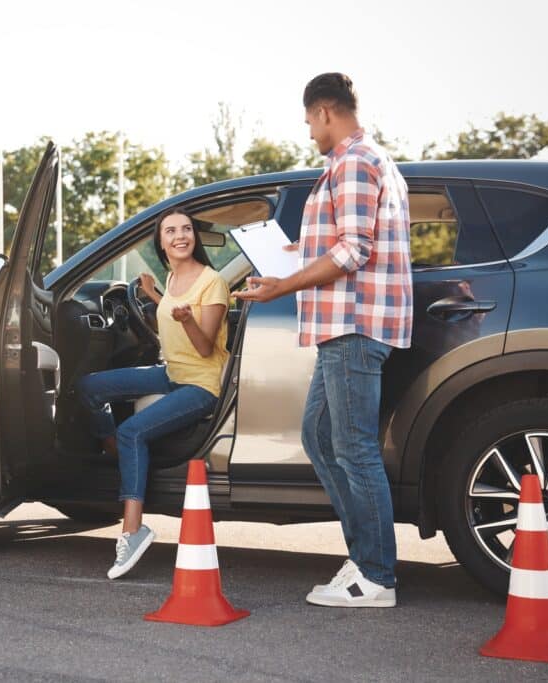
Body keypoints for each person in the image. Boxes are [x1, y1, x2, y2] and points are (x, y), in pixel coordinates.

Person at [233, 73, 413, 607]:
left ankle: (376, 575)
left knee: (354, 447)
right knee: (318, 434)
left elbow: (355, 249)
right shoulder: (357, 163)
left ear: (327, 111)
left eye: (310, 119)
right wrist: (291, 255)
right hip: (342, 327)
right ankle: (362, 556)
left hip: (354, 326)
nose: (309, 129)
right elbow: (343, 239)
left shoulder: (355, 161)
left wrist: (282, 287)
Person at [76, 207, 230, 579]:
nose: (180, 236)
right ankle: (120, 454)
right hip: (171, 373)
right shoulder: (173, 278)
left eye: (187, 229)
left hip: (200, 384)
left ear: (194, 236)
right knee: (90, 387)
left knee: (133, 431)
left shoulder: (213, 282)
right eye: (171, 231)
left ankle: (132, 530)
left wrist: (189, 319)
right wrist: (152, 295)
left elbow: (206, 348)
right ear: (161, 242)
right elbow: (171, 321)